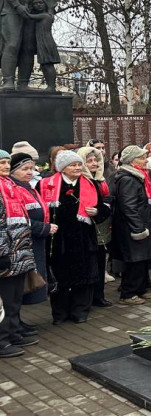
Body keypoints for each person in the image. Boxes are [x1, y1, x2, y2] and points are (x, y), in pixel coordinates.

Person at [40, 150, 109, 324]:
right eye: (73, 165)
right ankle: (60, 313)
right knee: (60, 277)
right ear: (62, 168)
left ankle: (80, 311)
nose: (78, 168)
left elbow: (104, 208)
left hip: (83, 238)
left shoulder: (90, 184)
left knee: (84, 277)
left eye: (79, 164)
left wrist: (97, 211)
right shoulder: (46, 184)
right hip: (58, 240)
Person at [111, 146, 151, 306]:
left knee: (142, 259)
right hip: (132, 227)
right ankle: (128, 293)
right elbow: (128, 206)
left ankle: (140, 289)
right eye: (142, 158)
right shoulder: (128, 179)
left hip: (141, 223)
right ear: (132, 161)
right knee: (135, 261)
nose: (146, 160)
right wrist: (138, 228)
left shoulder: (139, 176)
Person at [8, 153, 53, 317]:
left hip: (33, 242)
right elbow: (16, 218)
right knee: (16, 286)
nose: (29, 172)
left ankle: (17, 321)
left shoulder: (28, 187)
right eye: (24, 169)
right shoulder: (13, 189)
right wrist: (44, 228)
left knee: (25, 284)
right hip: (21, 242)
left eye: (31, 168)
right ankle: (13, 322)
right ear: (13, 171)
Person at [0, 160, 37, 357]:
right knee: (4, 299)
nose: (6, 166)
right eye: (1, 163)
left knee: (14, 298)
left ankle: (12, 333)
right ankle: (1, 341)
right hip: (5, 253)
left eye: (8, 162)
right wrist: (1, 252)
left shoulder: (10, 186)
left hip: (19, 252)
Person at [76, 146, 113, 308]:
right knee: (89, 264)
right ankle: (88, 298)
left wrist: (100, 209)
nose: (94, 164)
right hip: (84, 229)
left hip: (100, 226)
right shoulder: (79, 181)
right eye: (89, 161)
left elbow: (107, 201)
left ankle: (99, 296)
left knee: (99, 262)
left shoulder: (100, 180)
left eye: (96, 160)